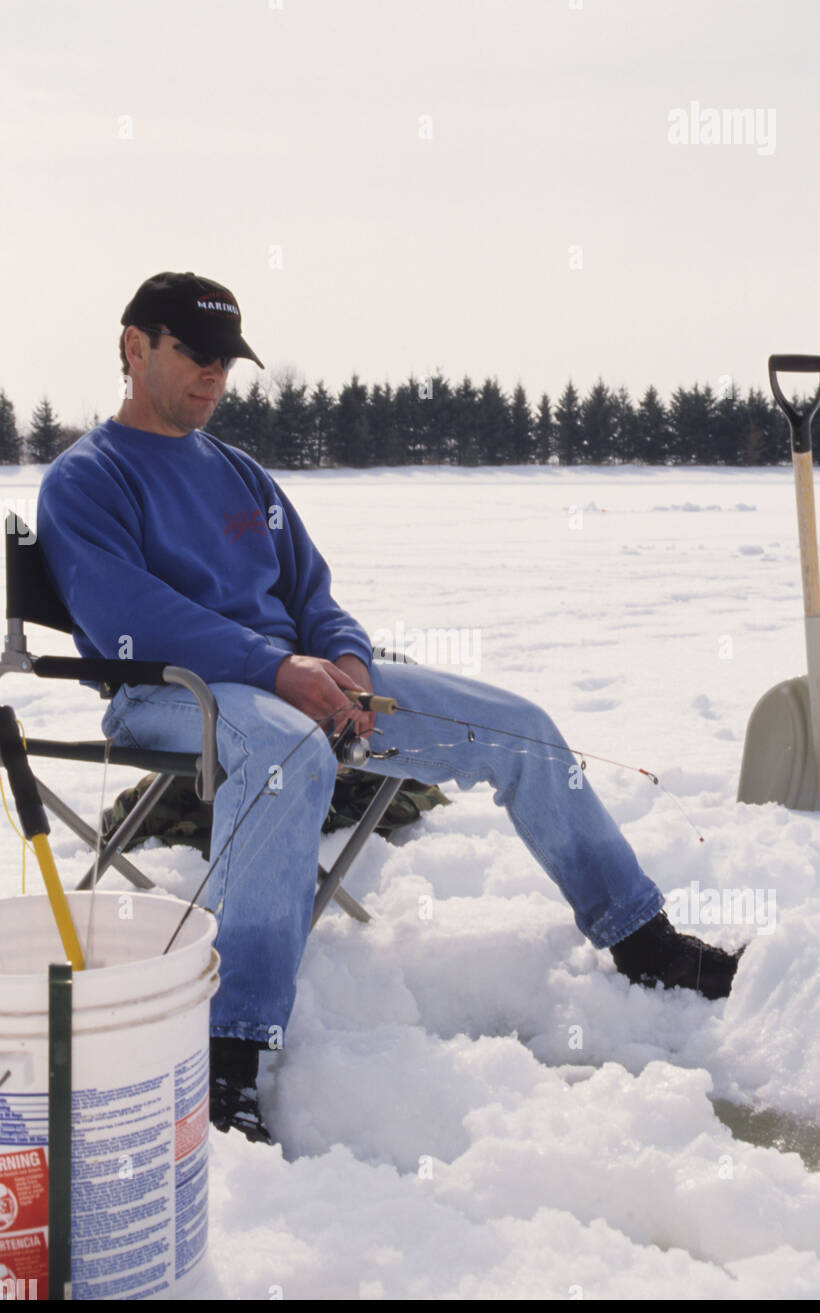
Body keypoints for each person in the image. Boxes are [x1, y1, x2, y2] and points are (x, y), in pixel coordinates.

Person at [36, 272, 743, 1146]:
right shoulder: (87, 480)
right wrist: (274, 668)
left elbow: (315, 595)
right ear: (134, 346)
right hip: (172, 695)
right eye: (195, 354)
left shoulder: (241, 474)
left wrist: (344, 660)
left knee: (522, 729)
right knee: (289, 752)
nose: (215, 375)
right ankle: (229, 1055)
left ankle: (642, 939)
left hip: (297, 683)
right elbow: (125, 618)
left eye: (226, 360)